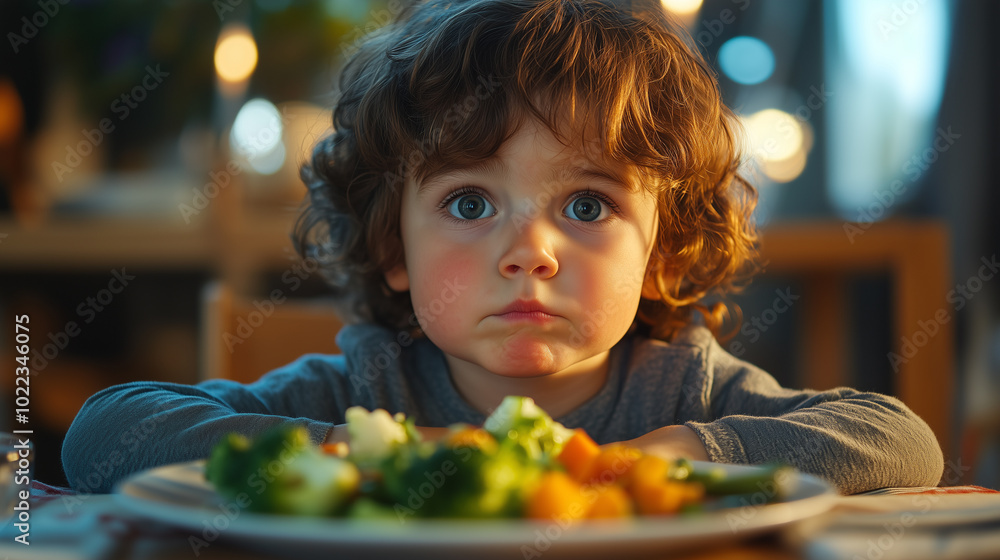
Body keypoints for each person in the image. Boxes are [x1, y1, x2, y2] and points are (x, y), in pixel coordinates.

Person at [63, 0, 942, 495]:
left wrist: (684, 454)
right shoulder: (369, 389)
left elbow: (902, 442)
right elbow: (104, 432)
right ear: (393, 247)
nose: (530, 252)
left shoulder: (684, 388)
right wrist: (353, 457)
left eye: (589, 207)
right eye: (471, 200)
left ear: (661, 251)